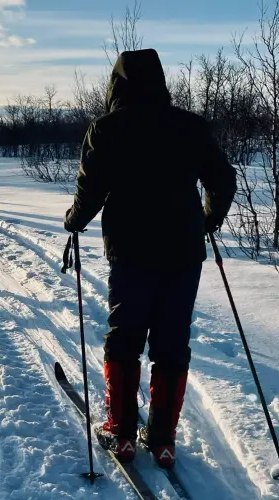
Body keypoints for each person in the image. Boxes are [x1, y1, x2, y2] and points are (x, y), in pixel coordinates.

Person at [62, 49, 237, 468]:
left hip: (131, 250)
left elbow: (91, 189)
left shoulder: (106, 129)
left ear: (116, 85)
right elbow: (223, 181)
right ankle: (162, 440)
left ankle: (121, 433)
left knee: (125, 336)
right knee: (172, 340)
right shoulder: (191, 127)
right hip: (182, 251)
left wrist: (74, 220)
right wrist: (206, 221)